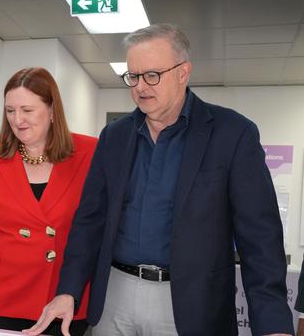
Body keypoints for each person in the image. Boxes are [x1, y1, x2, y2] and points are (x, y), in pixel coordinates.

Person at [26, 24, 293, 336]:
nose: (141, 86)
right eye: (133, 77)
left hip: (190, 304)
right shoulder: (115, 136)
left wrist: (273, 326)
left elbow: (259, 238)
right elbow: (90, 221)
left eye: (152, 75)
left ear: (183, 72)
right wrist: (68, 290)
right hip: (115, 296)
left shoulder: (232, 134)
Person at [0, 67, 97, 335]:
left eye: (27, 110)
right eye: (10, 111)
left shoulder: (90, 154)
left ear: (52, 110)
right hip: (3, 299)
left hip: (63, 296)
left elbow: (95, 228)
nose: (17, 120)